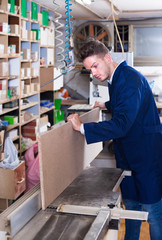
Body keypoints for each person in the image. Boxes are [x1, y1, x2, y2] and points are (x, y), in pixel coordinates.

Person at [67, 40, 162, 240]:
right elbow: (126, 104)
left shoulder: (129, 79)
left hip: (146, 154)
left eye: (95, 66)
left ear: (108, 58)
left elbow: (121, 124)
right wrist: (107, 105)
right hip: (128, 152)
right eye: (89, 69)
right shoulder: (117, 78)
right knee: (132, 207)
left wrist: (82, 127)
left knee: (152, 211)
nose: (93, 73)